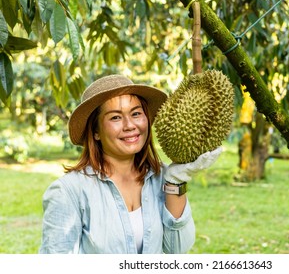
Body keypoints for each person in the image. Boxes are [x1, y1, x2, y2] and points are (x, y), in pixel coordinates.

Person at [39, 74, 222, 254]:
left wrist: (176, 181)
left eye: (136, 114)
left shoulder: (161, 179)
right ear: (96, 131)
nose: (130, 125)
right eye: (115, 118)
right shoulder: (69, 191)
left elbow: (177, 249)